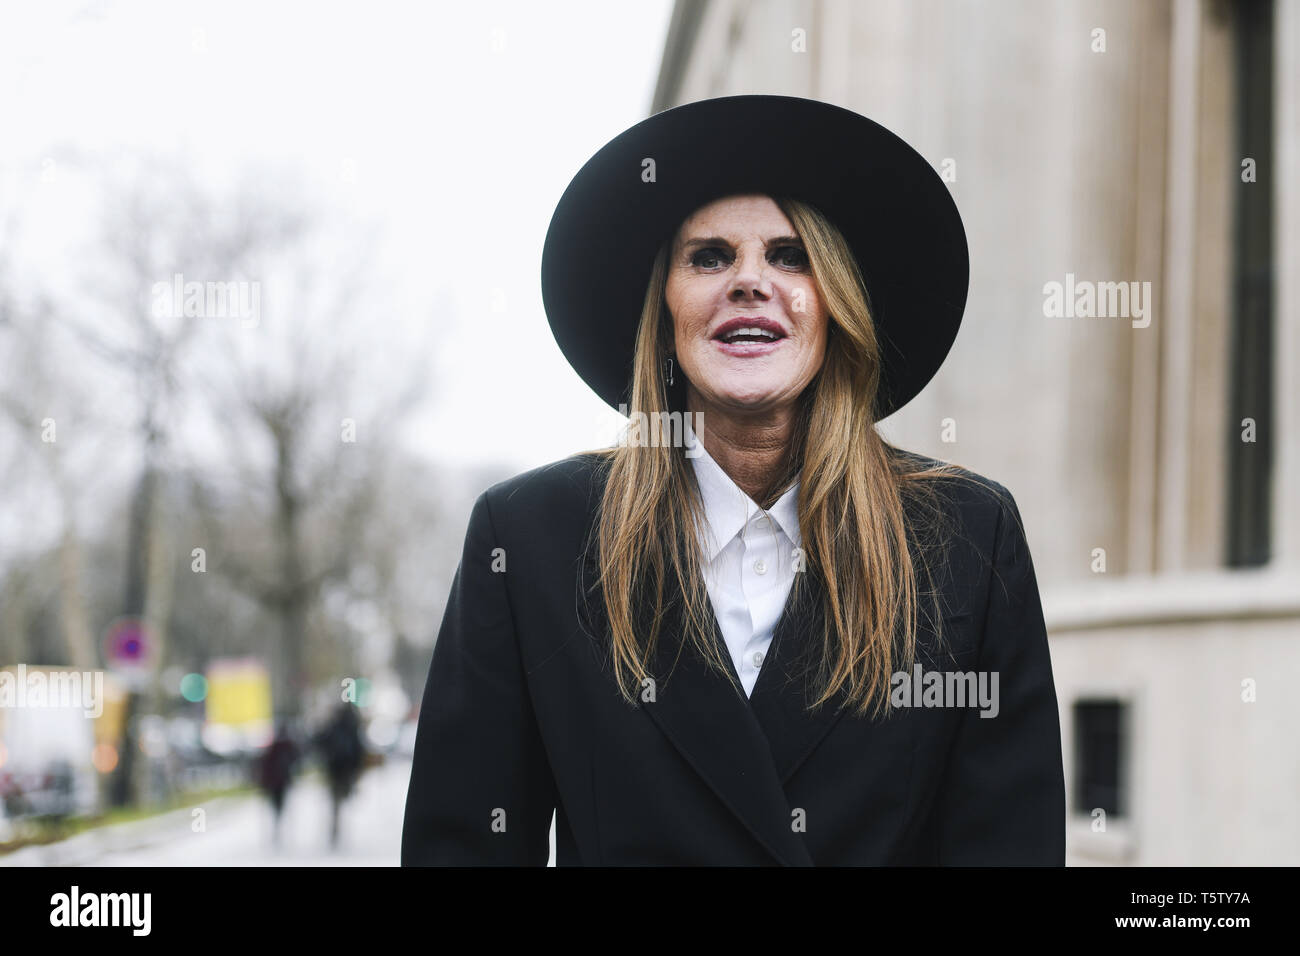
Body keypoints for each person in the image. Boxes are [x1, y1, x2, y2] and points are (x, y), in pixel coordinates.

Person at [401, 94, 1065, 866]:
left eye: (790, 256)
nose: (750, 282)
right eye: (709, 256)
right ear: (665, 307)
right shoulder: (529, 540)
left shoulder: (965, 538)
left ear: (836, 304)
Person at [313, 703, 365, 849]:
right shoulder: (353, 727)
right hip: (347, 770)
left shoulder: (334, 726)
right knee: (341, 799)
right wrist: (357, 769)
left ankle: (335, 829)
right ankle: (338, 828)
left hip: (334, 769)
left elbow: (320, 742)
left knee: (335, 801)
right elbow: (358, 749)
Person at [256, 718, 299, 848]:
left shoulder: (274, 747)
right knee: (280, 804)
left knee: (276, 804)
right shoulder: (287, 746)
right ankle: (278, 822)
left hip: (275, 782)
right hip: (282, 781)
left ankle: (277, 823)